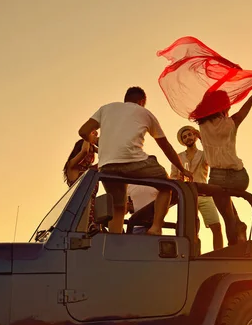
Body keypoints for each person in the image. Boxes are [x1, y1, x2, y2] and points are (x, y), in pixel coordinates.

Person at [78, 86, 193, 235]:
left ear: (126, 98)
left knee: (118, 205)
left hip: (107, 167)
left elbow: (82, 131)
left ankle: (115, 239)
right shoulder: (144, 112)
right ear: (142, 101)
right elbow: (165, 146)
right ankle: (156, 227)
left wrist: (94, 139)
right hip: (134, 163)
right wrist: (182, 169)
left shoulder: (106, 109)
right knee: (167, 186)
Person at [192, 80, 252, 246]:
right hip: (239, 178)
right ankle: (240, 228)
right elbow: (251, 101)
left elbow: (207, 96)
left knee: (227, 217)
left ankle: (234, 242)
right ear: (224, 106)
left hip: (217, 178)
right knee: (229, 208)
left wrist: (221, 80)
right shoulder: (232, 122)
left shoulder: (202, 123)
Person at [171, 125, 224, 250]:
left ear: (194, 137)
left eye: (190, 135)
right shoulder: (178, 157)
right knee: (192, 229)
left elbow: (213, 154)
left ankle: (219, 254)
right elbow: (173, 177)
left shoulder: (204, 154)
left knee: (216, 226)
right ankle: (195, 255)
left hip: (204, 194)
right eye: (184, 137)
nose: (188, 138)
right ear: (182, 141)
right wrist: (178, 179)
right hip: (187, 196)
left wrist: (202, 137)